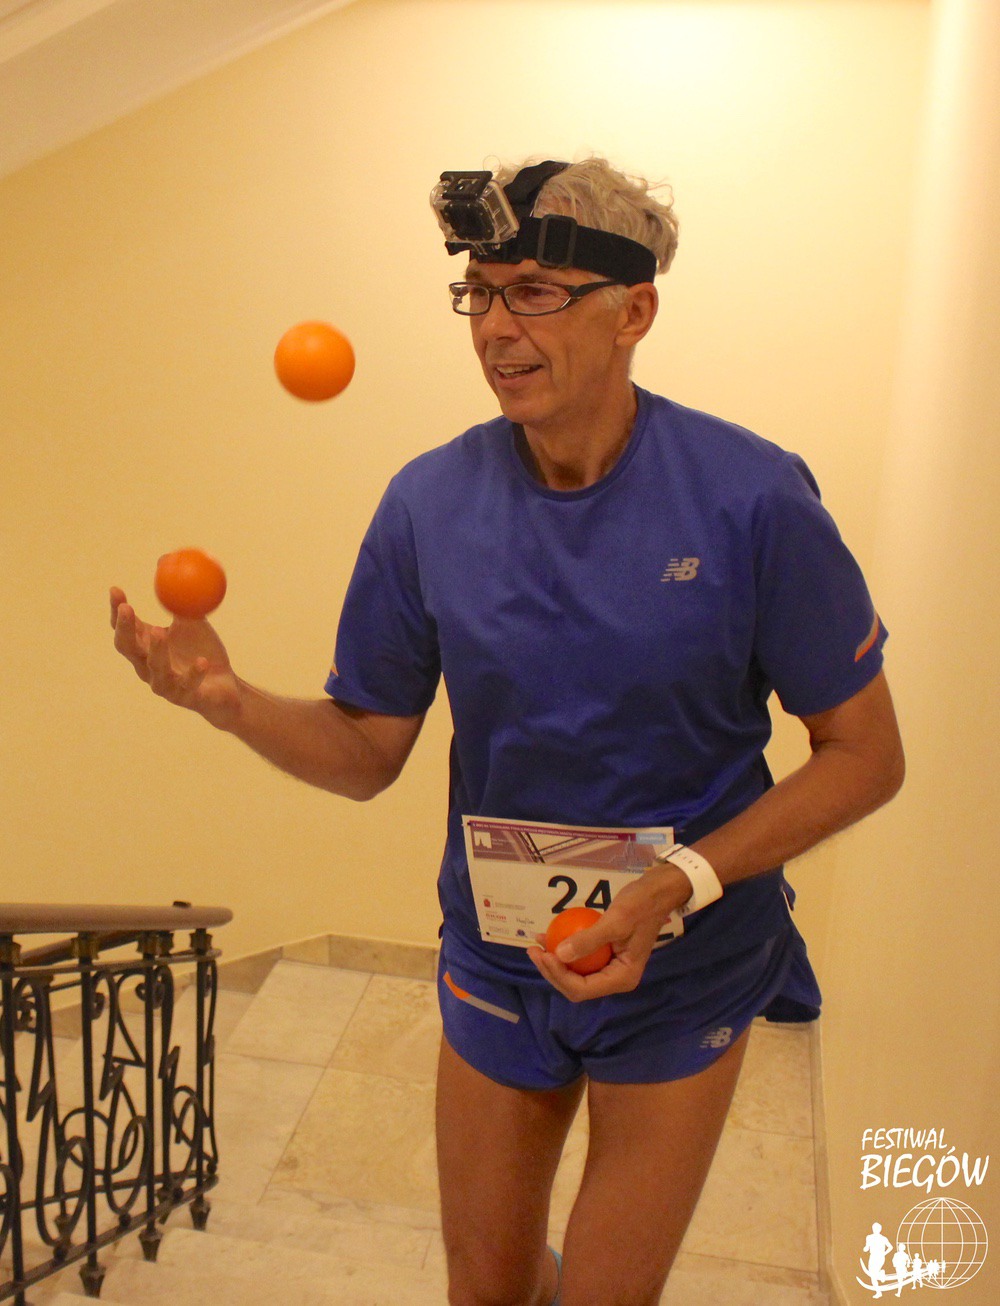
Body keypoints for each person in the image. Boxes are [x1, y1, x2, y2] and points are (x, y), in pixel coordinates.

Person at [111, 155, 905, 1306]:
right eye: (478, 293)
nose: (494, 327)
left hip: (685, 959)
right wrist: (231, 704)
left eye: (533, 291)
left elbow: (866, 756)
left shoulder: (752, 498)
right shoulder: (427, 503)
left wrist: (672, 885)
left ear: (633, 312)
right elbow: (366, 753)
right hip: (498, 952)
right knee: (483, 1286)